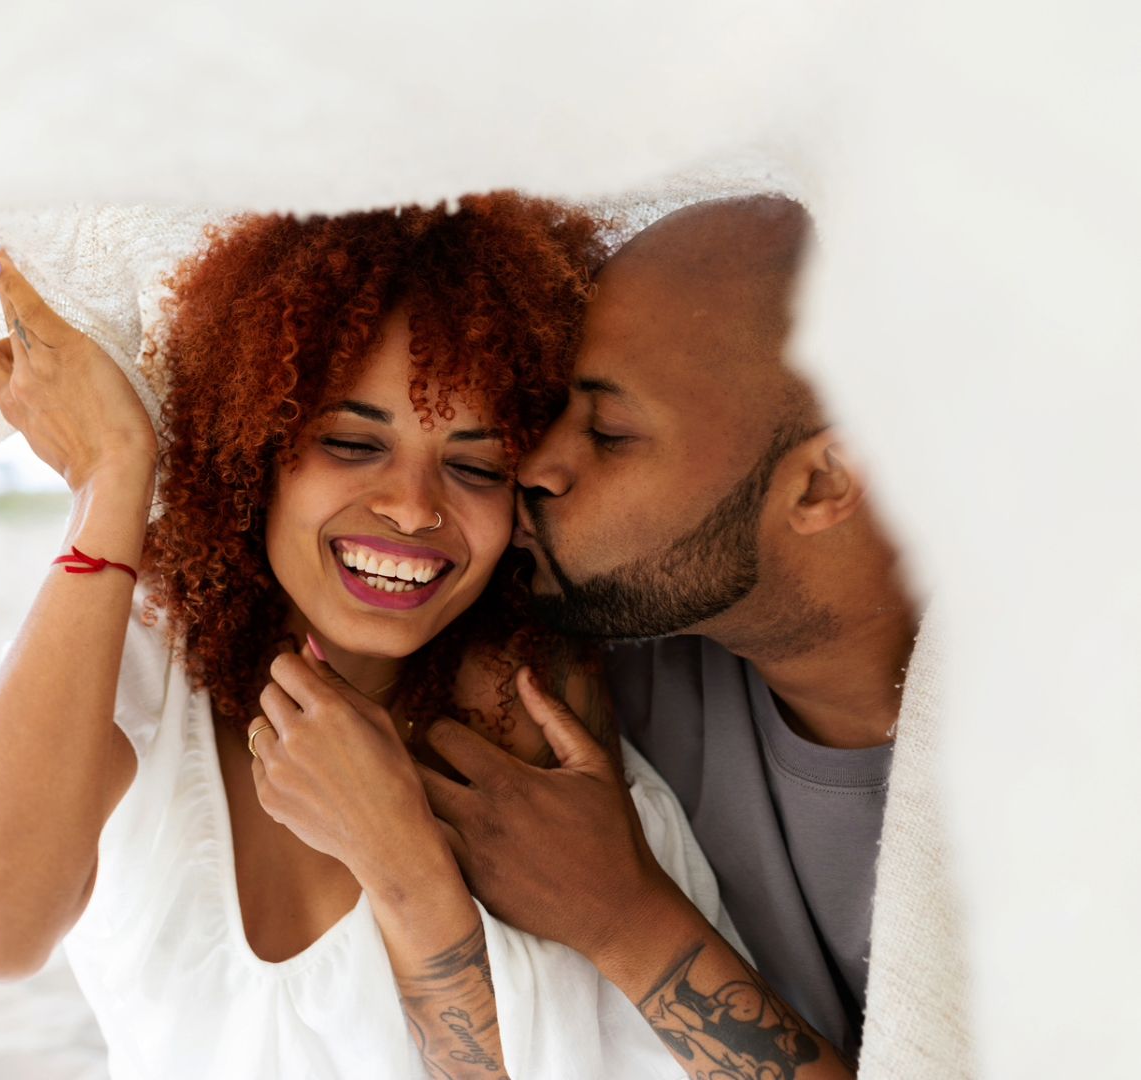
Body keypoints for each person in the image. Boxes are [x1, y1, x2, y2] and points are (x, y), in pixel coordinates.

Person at [0, 195, 744, 1079]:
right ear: (252, 449)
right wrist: (113, 475)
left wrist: (406, 869)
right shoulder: (141, 670)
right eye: (353, 443)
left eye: (474, 466)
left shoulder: (540, 718)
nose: (416, 507)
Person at [291, 194, 923, 1079]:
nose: (537, 468)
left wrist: (628, 920)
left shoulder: (1067, 789)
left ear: (822, 484)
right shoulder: (591, 656)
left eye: (611, 432)